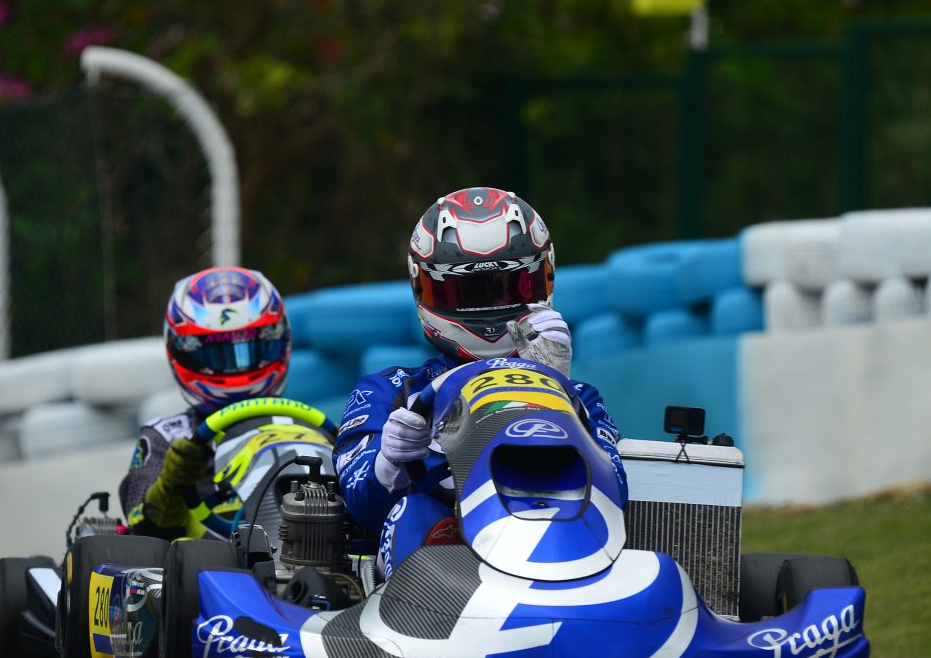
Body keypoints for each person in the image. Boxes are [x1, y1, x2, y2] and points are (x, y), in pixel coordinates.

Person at [333, 187, 625, 579]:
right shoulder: (390, 392)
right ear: (422, 287)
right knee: (416, 512)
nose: (488, 307)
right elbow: (361, 503)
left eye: (509, 287)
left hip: (562, 554)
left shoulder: (581, 398)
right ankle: (425, 605)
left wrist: (553, 388)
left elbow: (615, 494)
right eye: (465, 292)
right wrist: (390, 463)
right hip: (449, 576)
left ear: (545, 276)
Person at [120, 266, 300, 541]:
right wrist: (173, 482)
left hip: (302, 551)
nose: (236, 368)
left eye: (249, 347)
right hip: (200, 559)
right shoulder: (167, 437)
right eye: (218, 354)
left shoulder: (308, 426)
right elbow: (141, 525)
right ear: (182, 352)